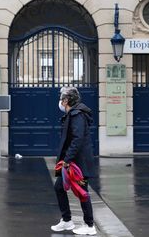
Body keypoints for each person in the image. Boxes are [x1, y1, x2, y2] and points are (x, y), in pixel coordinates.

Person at [51, 87, 96, 235]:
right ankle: (67, 221)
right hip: (72, 161)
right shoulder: (73, 114)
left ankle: (89, 226)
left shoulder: (77, 115)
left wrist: (67, 160)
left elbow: (77, 140)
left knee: (82, 192)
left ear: (66, 100)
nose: (60, 101)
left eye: (61, 99)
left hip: (77, 162)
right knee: (59, 188)